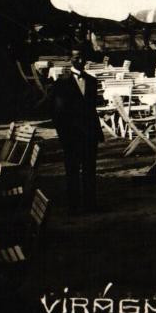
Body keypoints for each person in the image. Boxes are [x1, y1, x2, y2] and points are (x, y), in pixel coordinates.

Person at [49, 47, 104, 214]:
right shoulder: (61, 83)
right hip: (71, 135)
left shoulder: (92, 81)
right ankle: (73, 206)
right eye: (76, 58)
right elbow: (57, 114)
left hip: (89, 133)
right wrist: (64, 136)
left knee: (90, 170)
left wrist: (95, 131)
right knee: (72, 170)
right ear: (70, 59)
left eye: (82, 58)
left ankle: (90, 204)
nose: (80, 61)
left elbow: (92, 109)